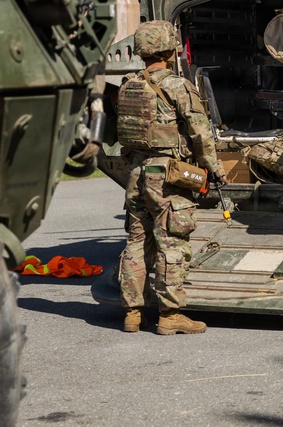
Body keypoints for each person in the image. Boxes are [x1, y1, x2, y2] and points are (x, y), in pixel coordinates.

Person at [115, 20, 228, 334]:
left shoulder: (129, 84)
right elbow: (201, 134)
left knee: (137, 242)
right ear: (169, 48)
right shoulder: (177, 85)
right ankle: (170, 315)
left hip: (136, 173)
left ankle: (133, 314)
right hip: (166, 176)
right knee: (171, 244)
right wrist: (214, 169)